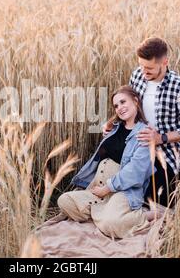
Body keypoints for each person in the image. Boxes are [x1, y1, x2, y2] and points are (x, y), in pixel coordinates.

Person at [104, 37, 180, 207]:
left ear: (164, 62)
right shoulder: (138, 76)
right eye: (141, 66)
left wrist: (160, 138)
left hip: (167, 156)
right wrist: (113, 123)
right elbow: (130, 104)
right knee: (107, 158)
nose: (143, 71)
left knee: (151, 203)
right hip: (137, 146)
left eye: (149, 68)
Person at [57, 86, 154, 239]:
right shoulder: (114, 128)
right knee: (65, 201)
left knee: (111, 224)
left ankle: (144, 216)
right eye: (116, 106)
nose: (120, 108)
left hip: (122, 190)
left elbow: (136, 172)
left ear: (135, 101)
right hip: (100, 187)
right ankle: (106, 213)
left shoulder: (144, 133)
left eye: (123, 102)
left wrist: (107, 188)